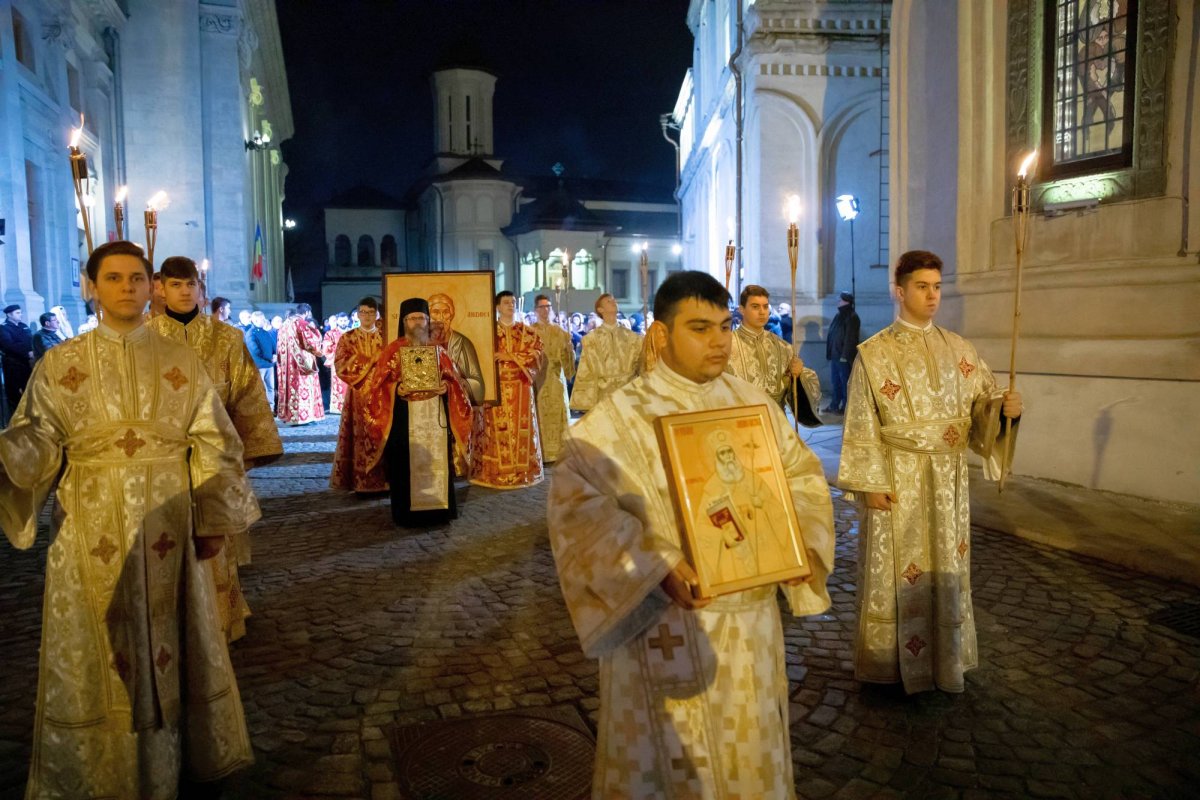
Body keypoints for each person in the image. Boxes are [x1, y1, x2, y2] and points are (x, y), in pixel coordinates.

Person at [547, 270, 834, 798]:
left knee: (749, 757)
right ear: (661, 334)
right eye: (700, 328)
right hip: (667, 625)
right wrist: (654, 566)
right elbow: (576, 510)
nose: (719, 341)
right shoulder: (615, 422)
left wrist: (796, 542)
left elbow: (803, 476)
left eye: (724, 327)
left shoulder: (755, 405)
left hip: (750, 625)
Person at [0, 240, 256, 798]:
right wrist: (8, 452)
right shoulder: (59, 363)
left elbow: (217, 441)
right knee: (97, 645)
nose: (126, 287)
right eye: (112, 278)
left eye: (136, 278)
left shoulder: (181, 361)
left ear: (151, 287)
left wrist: (214, 520)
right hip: (86, 527)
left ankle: (173, 764)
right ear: (92, 286)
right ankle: (98, 773)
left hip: (169, 524)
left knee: (173, 644)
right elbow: (40, 440)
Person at [838, 250, 1023, 694]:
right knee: (897, 571)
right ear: (899, 292)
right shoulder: (874, 354)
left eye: (937, 287)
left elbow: (981, 409)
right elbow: (861, 423)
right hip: (897, 480)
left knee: (947, 564)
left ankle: (945, 663)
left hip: (948, 481)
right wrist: (869, 485)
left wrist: (1006, 410)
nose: (932, 295)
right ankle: (888, 665)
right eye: (922, 287)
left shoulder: (961, 349)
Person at [148, 256, 281, 642]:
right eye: (176, 285)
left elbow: (247, 394)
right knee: (166, 537)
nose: (185, 291)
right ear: (162, 290)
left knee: (215, 534)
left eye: (191, 284)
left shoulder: (227, 337)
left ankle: (222, 617)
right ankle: (172, 623)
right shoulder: (146, 336)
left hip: (216, 450)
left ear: (201, 290)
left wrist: (249, 448)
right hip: (164, 454)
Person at [363, 298, 474, 526]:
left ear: (427, 321)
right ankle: (406, 514)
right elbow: (377, 388)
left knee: (437, 462)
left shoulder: (438, 351)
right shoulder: (392, 351)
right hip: (404, 417)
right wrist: (396, 388)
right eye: (413, 318)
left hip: (435, 416)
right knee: (405, 464)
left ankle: (439, 512)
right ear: (404, 321)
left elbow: (455, 381)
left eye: (422, 318)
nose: (418, 322)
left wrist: (446, 388)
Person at [470, 290, 545, 489]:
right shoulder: (488, 332)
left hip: (521, 386)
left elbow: (537, 353)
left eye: (512, 302)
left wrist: (509, 356)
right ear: (497, 307)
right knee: (496, 431)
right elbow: (480, 357)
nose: (510, 305)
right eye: (506, 302)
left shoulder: (527, 331)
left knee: (521, 430)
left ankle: (523, 470)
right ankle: (494, 472)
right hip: (497, 387)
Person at [728, 284, 823, 427]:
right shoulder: (725, 346)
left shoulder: (783, 347)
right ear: (742, 310)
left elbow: (798, 394)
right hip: (739, 425)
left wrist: (798, 376)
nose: (762, 312)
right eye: (755, 307)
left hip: (777, 426)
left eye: (765, 307)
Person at [331, 297, 387, 493]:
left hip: (383, 394)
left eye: (371, 313)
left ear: (377, 314)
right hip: (358, 395)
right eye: (363, 312)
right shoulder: (348, 338)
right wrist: (369, 361)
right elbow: (340, 365)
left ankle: (385, 480)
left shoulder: (385, 337)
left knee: (382, 434)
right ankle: (361, 481)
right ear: (357, 314)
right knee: (360, 436)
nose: (367, 317)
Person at [569, 293, 641, 412]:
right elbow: (586, 372)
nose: (614, 302)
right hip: (603, 398)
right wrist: (585, 402)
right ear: (600, 309)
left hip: (628, 397)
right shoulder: (591, 339)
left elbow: (642, 367)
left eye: (614, 300)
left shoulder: (633, 337)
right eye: (608, 301)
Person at [530, 294, 575, 462]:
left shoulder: (560, 331)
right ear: (536, 310)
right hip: (539, 380)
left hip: (556, 380)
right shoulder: (530, 332)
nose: (545, 310)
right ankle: (542, 451)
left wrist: (569, 350)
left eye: (548, 306)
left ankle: (560, 451)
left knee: (558, 413)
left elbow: (569, 367)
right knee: (541, 414)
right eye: (542, 307)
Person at [428, 291, 484, 405]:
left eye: (446, 312)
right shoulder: (422, 343)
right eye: (435, 312)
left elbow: (478, 384)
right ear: (428, 316)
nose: (441, 318)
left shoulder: (463, 343)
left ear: (451, 315)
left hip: (458, 404)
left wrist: (455, 385)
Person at [276, 303, 325, 425]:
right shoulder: (301, 323)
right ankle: (303, 418)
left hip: (286, 365)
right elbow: (311, 342)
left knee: (288, 388)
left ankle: (288, 416)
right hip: (300, 364)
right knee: (302, 388)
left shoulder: (284, 324)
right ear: (307, 312)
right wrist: (318, 340)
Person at [825, 291, 861, 414]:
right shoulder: (838, 316)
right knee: (836, 382)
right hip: (836, 355)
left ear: (846, 301)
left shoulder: (852, 317)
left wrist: (845, 355)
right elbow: (833, 334)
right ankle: (835, 405)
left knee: (845, 382)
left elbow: (850, 338)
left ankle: (846, 407)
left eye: (840, 300)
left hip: (843, 357)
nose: (838, 301)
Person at [0, 303, 33, 412]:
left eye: (20, 312)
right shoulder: (3, 328)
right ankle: (16, 416)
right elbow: (9, 345)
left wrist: (32, 351)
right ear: (9, 315)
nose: (21, 315)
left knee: (28, 388)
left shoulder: (23, 325)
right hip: (13, 363)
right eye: (18, 313)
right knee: (14, 391)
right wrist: (27, 353)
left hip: (26, 362)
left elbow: (30, 340)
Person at [246, 310, 277, 407]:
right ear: (255, 320)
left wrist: (275, 354)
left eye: (264, 319)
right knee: (261, 389)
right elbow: (255, 350)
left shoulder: (265, 332)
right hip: (260, 365)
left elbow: (273, 345)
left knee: (270, 388)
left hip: (269, 365)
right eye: (262, 319)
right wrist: (269, 358)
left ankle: (271, 408)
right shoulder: (251, 333)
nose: (264, 321)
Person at [323, 314, 348, 415]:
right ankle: (338, 407)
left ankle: (350, 406)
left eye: (345, 320)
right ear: (337, 321)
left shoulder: (354, 332)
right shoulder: (331, 334)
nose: (343, 323)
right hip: (337, 363)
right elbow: (326, 349)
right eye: (341, 321)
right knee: (338, 385)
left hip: (351, 363)